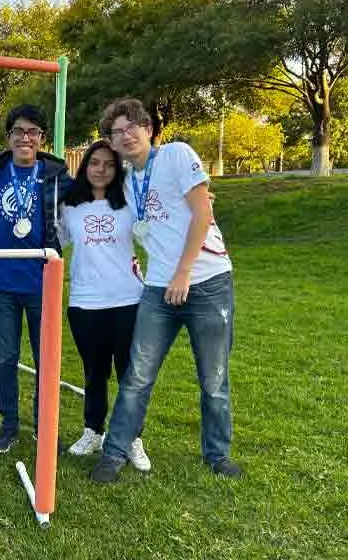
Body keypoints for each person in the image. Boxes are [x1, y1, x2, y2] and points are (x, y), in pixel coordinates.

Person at [90, 98, 240, 482]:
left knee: (213, 379)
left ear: (148, 128)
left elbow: (202, 213)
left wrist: (183, 272)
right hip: (158, 289)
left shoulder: (176, 155)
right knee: (137, 375)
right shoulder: (126, 180)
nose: (126, 136)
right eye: (117, 132)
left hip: (206, 282)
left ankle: (217, 454)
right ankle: (114, 453)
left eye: (131, 127)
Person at [0, 104, 73, 454]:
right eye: (18, 132)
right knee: (6, 358)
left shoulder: (56, 176)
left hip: (43, 283)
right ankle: (9, 425)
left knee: (46, 360)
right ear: (8, 136)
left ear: (42, 138)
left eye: (33, 132)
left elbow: (99, 189)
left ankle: (44, 425)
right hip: (3, 282)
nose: (25, 138)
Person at [59, 140, 150, 471]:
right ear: (85, 166)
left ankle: (131, 437)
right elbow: (54, 242)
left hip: (128, 301)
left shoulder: (129, 201)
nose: (101, 170)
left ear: (117, 169)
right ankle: (93, 430)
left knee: (129, 374)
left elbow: (157, 225)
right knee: (94, 373)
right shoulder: (70, 206)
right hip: (85, 303)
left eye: (109, 164)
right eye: (95, 163)